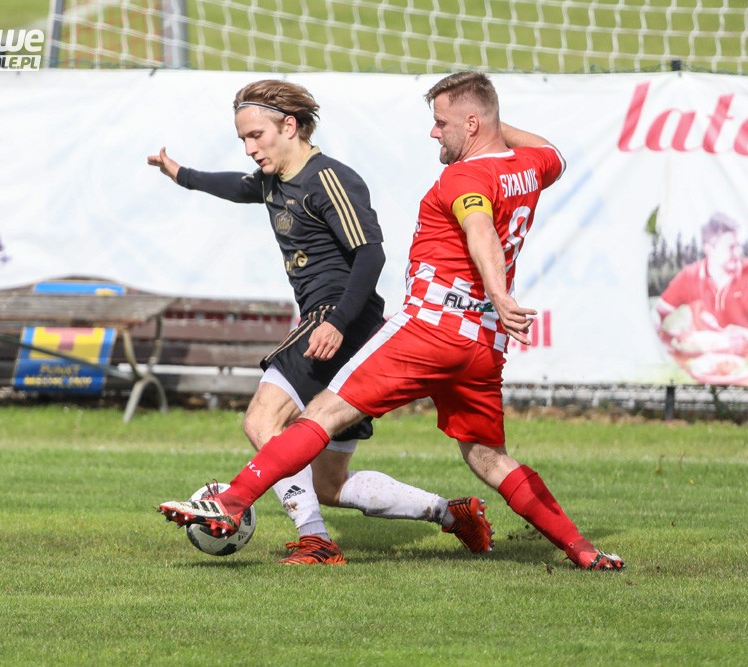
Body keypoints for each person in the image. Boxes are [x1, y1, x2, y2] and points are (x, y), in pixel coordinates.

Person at [159, 71, 625, 571]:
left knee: (316, 415)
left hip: (431, 326)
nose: (433, 132)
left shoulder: (462, 178)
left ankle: (234, 502)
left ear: (471, 124)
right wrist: (488, 122)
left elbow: (478, 228)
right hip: (482, 342)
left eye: (441, 123)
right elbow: (552, 151)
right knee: (486, 457)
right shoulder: (530, 167)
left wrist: (499, 292)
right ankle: (583, 550)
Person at [148, 79, 492, 565]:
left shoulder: (329, 178)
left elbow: (370, 255)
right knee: (329, 484)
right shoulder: (272, 181)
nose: (249, 149)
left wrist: (337, 323)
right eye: (243, 139)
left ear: (289, 126)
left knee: (262, 421)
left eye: (256, 136)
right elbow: (237, 187)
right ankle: (451, 513)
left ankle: (315, 539)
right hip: (344, 328)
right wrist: (180, 173)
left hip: (338, 322)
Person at [655, 212, 748, 356]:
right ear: (709, 249)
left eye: (738, 246)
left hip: (747, 358)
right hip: (703, 360)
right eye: (731, 247)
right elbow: (658, 311)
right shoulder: (690, 275)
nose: (737, 253)